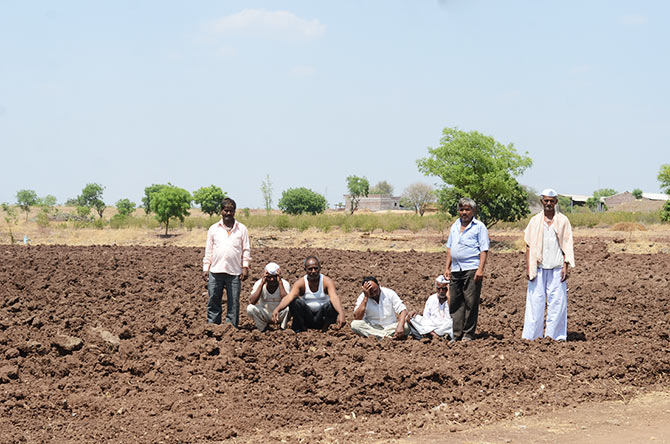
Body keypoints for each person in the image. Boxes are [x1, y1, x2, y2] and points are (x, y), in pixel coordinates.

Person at [522, 188, 575, 341]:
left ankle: (555, 336)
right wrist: (528, 267)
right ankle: (532, 337)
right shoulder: (534, 221)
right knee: (535, 303)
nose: (549, 204)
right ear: (542, 202)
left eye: (552, 201)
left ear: (556, 202)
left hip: (557, 268)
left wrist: (566, 266)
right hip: (538, 268)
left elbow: (567, 244)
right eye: (546, 201)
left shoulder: (563, 221)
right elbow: (528, 245)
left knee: (557, 304)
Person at [444, 198, 489, 342]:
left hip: (471, 268)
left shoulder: (479, 227)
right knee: (455, 302)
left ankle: (468, 334)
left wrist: (480, 269)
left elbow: (483, 249)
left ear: (473, 211)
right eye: (461, 209)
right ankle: (456, 334)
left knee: (471, 302)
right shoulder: (454, 226)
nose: (464, 212)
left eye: (467, 209)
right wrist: (447, 267)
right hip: (456, 269)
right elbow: (450, 248)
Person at [202, 197, 251, 327]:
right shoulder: (213, 229)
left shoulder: (242, 229)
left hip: (234, 272)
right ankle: (213, 327)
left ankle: (231, 329)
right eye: (226, 210)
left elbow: (246, 249)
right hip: (215, 270)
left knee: (233, 302)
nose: (228, 213)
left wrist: (245, 267)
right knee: (213, 300)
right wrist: (206, 268)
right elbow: (209, 250)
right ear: (221, 211)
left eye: (231, 211)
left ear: (234, 212)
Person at [271, 256, 345, 332]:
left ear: (320, 268)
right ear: (305, 270)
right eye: (310, 269)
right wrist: (278, 309)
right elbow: (289, 297)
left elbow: (334, 297)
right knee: (295, 302)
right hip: (306, 318)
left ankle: (326, 330)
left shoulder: (327, 281)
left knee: (330, 305)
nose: (313, 271)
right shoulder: (301, 283)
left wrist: (341, 313)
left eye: (316, 268)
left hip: (322, 318)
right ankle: (300, 329)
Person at [246, 262, 291, 331]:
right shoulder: (259, 283)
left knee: (289, 308)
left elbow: (287, 300)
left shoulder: (284, 284)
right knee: (250, 308)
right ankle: (263, 328)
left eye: (274, 277)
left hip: (279, 314)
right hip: (266, 313)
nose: (272, 279)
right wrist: (261, 284)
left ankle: (283, 328)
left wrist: (280, 283)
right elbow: (252, 301)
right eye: (269, 277)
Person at [408, 275, 453, 340]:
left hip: (445, 327)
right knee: (411, 318)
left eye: (444, 289)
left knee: (453, 323)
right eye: (438, 288)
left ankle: (430, 335)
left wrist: (448, 296)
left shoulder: (452, 299)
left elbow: (454, 316)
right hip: (431, 326)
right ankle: (433, 335)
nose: (441, 291)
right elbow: (426, 318)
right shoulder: (431, 298)